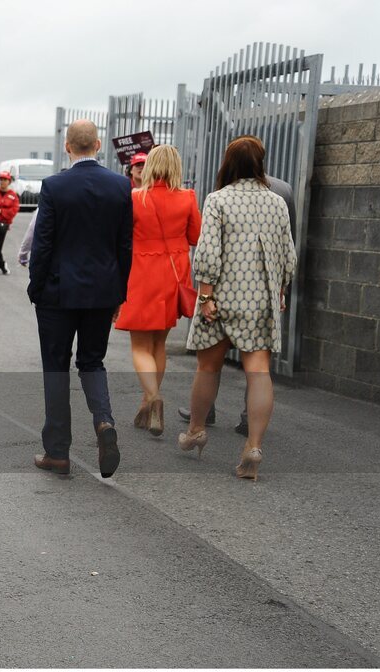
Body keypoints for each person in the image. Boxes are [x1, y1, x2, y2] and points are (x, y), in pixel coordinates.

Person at [179, 136, 296, 481]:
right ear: (261, 163)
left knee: (208, 366)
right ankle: (254, 446)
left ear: (228, 163)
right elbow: (287, 255)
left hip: (223, 297)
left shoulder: (218, 200)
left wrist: (205, 296)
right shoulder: (276, 203)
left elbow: (208, 253)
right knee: (258, 371)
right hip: (261, 298)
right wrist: (281, 289)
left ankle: (197, 430)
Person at [28, 120, 132, 478]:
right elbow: (124, 245)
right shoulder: (121, 185)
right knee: (92, 361)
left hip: (58, 292)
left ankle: (57, 452)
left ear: (68, 147)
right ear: (98, 145)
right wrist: (120, 291)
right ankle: (104, 422)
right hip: (102, 291)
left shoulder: (54, 186)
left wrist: (35, 287)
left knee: (56, 367)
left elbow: (43, 243)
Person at [113, 145, 201, 437]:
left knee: (139, 346)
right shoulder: (188, 198)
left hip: (141, 273)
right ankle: (147, 400)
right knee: (158, 345)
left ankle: (153, 398)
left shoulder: (135, 198)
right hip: (174, 275)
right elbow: (194, 236)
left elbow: (121, 238)